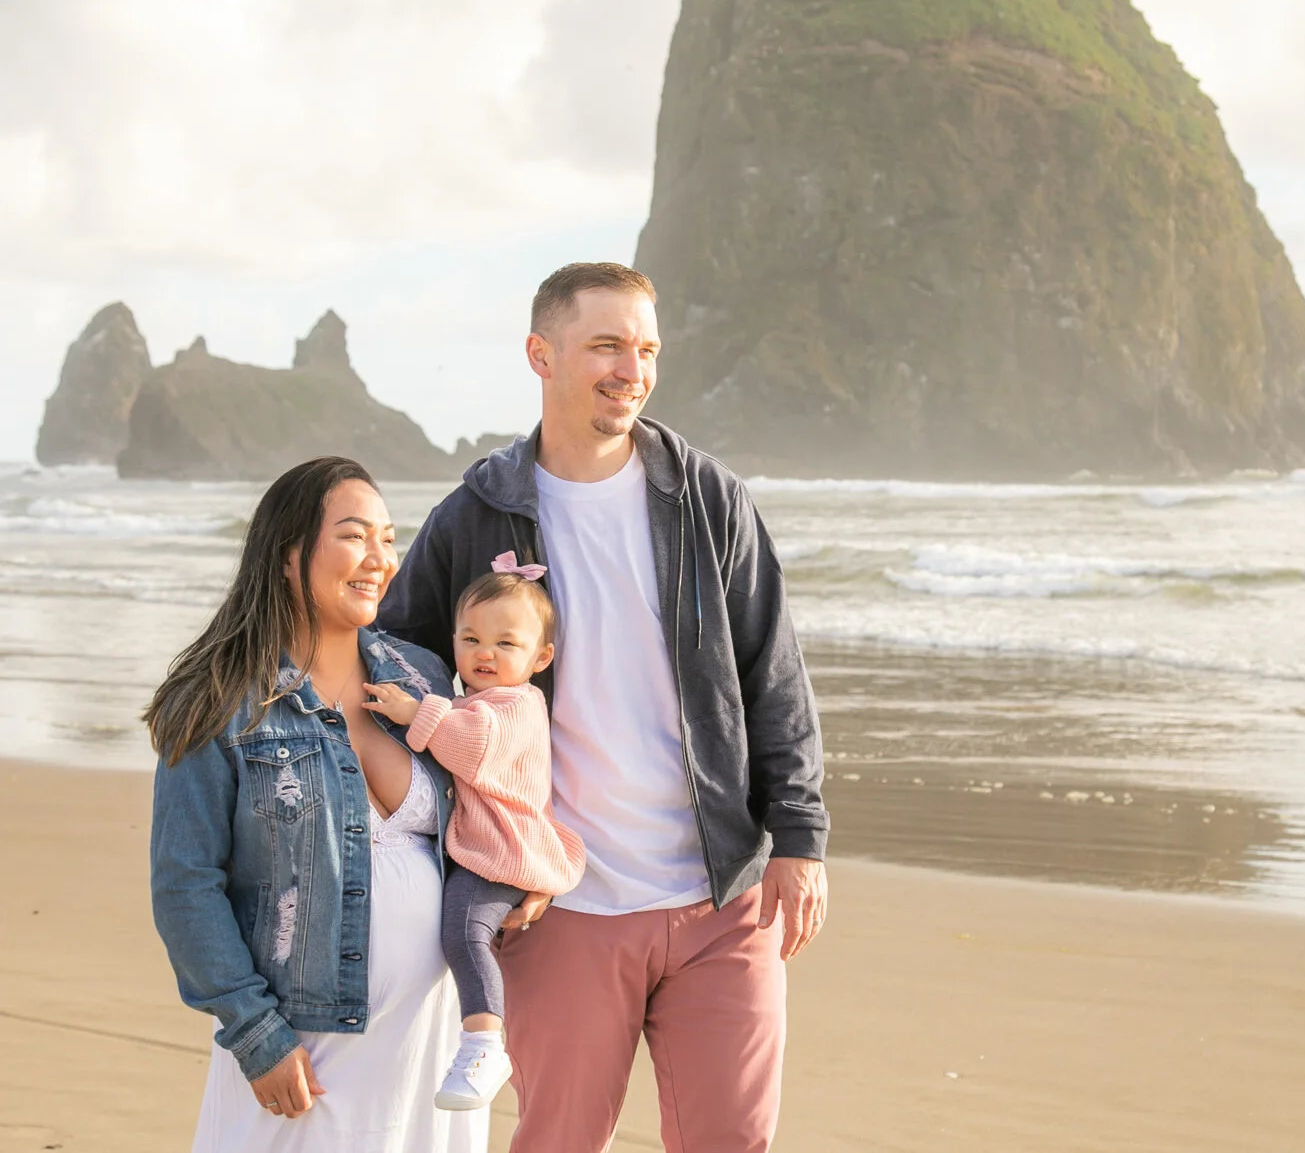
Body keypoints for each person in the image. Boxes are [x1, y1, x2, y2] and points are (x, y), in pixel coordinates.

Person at [378, 262, 830, 1153]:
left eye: (648, 348)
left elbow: (771, 668)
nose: (633, 368)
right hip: (560, 904)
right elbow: (396, 656)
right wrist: (462, 840)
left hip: (720, 896)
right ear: (542, 355)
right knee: (558, 1140)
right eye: (608, 345)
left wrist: (802, 836)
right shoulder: (477, 513)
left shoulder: (709, 499)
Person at [146, 456, 490, 1153]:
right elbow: (186, 882)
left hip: (430, 1039)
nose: (380, 559)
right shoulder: (220, 698)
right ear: (287, 553)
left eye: (389, 538)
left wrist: (522, 880)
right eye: (355, 535)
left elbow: (489, 803)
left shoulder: (419, 675)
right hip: (305, 1051)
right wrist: (255, 1033)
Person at [364, 551, 585, 1112]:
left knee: (464, 930)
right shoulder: (483, 700)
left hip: (503, 855)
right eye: (470, 639)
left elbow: (472, 745)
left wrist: (414, 711)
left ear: (541, 658)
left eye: (506, 644)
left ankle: (485, 1045)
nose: (484, 653)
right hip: (492, 847)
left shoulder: (514, 706)